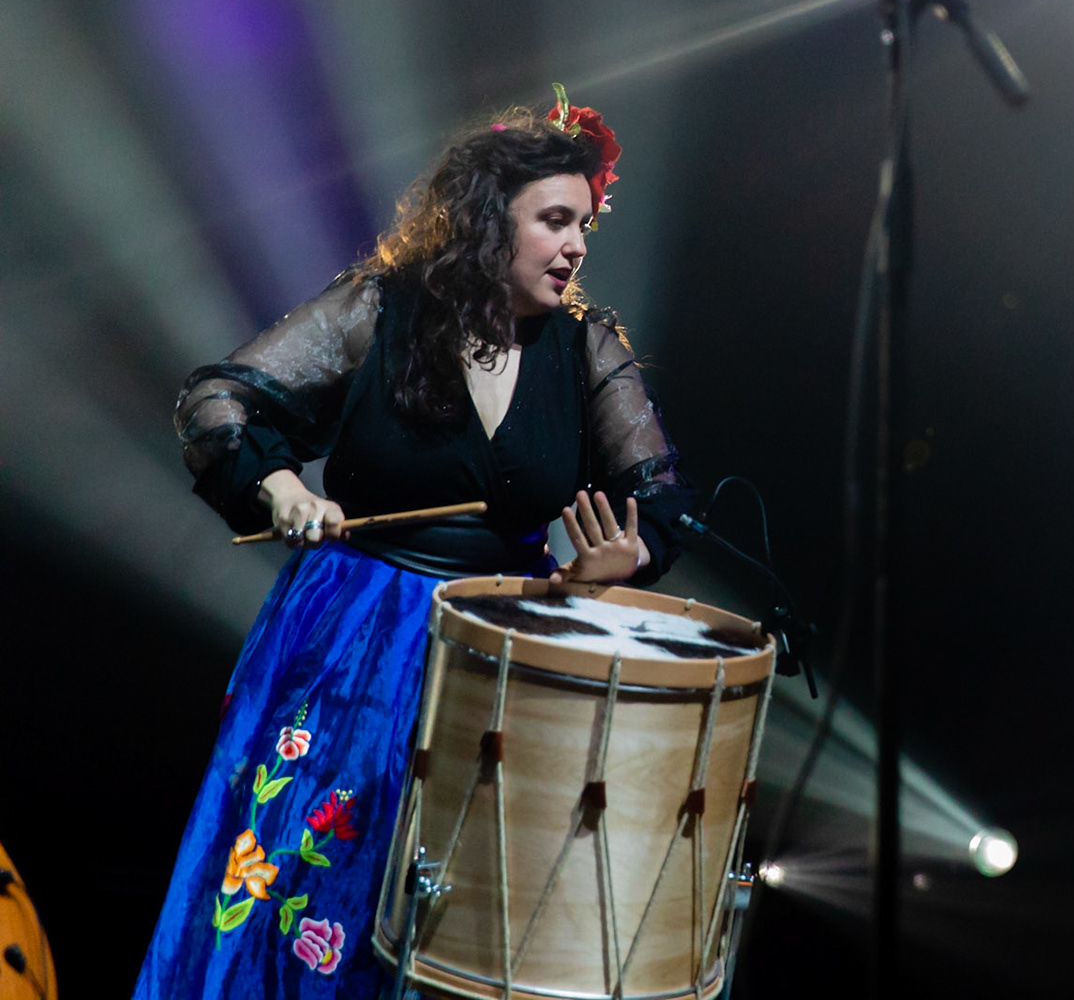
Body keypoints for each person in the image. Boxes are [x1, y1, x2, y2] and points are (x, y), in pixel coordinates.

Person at [135, 87, 697, 997]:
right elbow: (215, 401)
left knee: (454, 919)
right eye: (555, 221)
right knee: (303, 882)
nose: (577, 246)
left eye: (584, 225)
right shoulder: (382, 309)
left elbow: (665, 498)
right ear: (487, 220)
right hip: (356, 631)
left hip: (500, 644)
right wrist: (279, 485)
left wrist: (623, 561)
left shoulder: (585, 346)